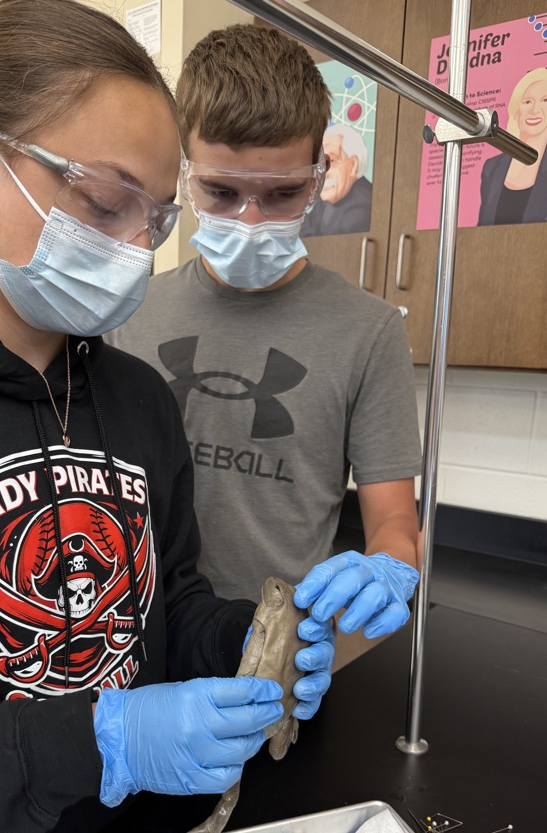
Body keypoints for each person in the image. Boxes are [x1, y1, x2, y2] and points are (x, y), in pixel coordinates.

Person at [0, 0, 335, 833]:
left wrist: (264, 642)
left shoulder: (137, 400)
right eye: (100, 201)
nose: (132, 248)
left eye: (156, 216)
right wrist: (108, 738)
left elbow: (170, 612)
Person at [107, 25, 422, 671]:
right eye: (221, 193)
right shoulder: (122, 309)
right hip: (133, 639)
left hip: (274, 649)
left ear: (320, 176)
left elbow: (394, 520)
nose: (250, 221)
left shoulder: (367, 331)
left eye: (282, 195)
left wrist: (388, 568)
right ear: (182, 172)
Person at [478, 67, 547, 226]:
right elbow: (482, 228)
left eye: (546, 100)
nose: (535, 110)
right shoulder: (491, 168)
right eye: (527, 102)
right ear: (517, 109)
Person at [300, 123, 374, 237]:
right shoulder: (331, 196)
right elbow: (307, 229)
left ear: (353, 165)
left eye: (332, 161)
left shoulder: (363, 207)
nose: (323, 174)